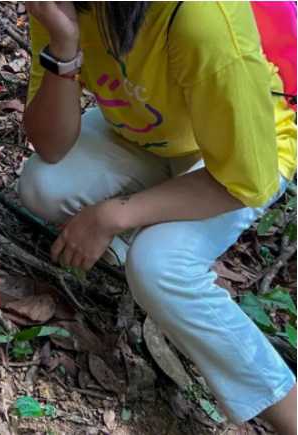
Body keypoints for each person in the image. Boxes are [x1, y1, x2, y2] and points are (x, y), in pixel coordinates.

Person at [20, 2, 296, 433]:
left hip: (243, 151)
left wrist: (113, 215)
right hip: (151, 134)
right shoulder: (68, 6)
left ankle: (290, 413)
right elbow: (50, 147)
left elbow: (247, 180)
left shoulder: (201, 17)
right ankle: (133, 241)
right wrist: (64, 43)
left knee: (159, 265)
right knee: (43, 185)